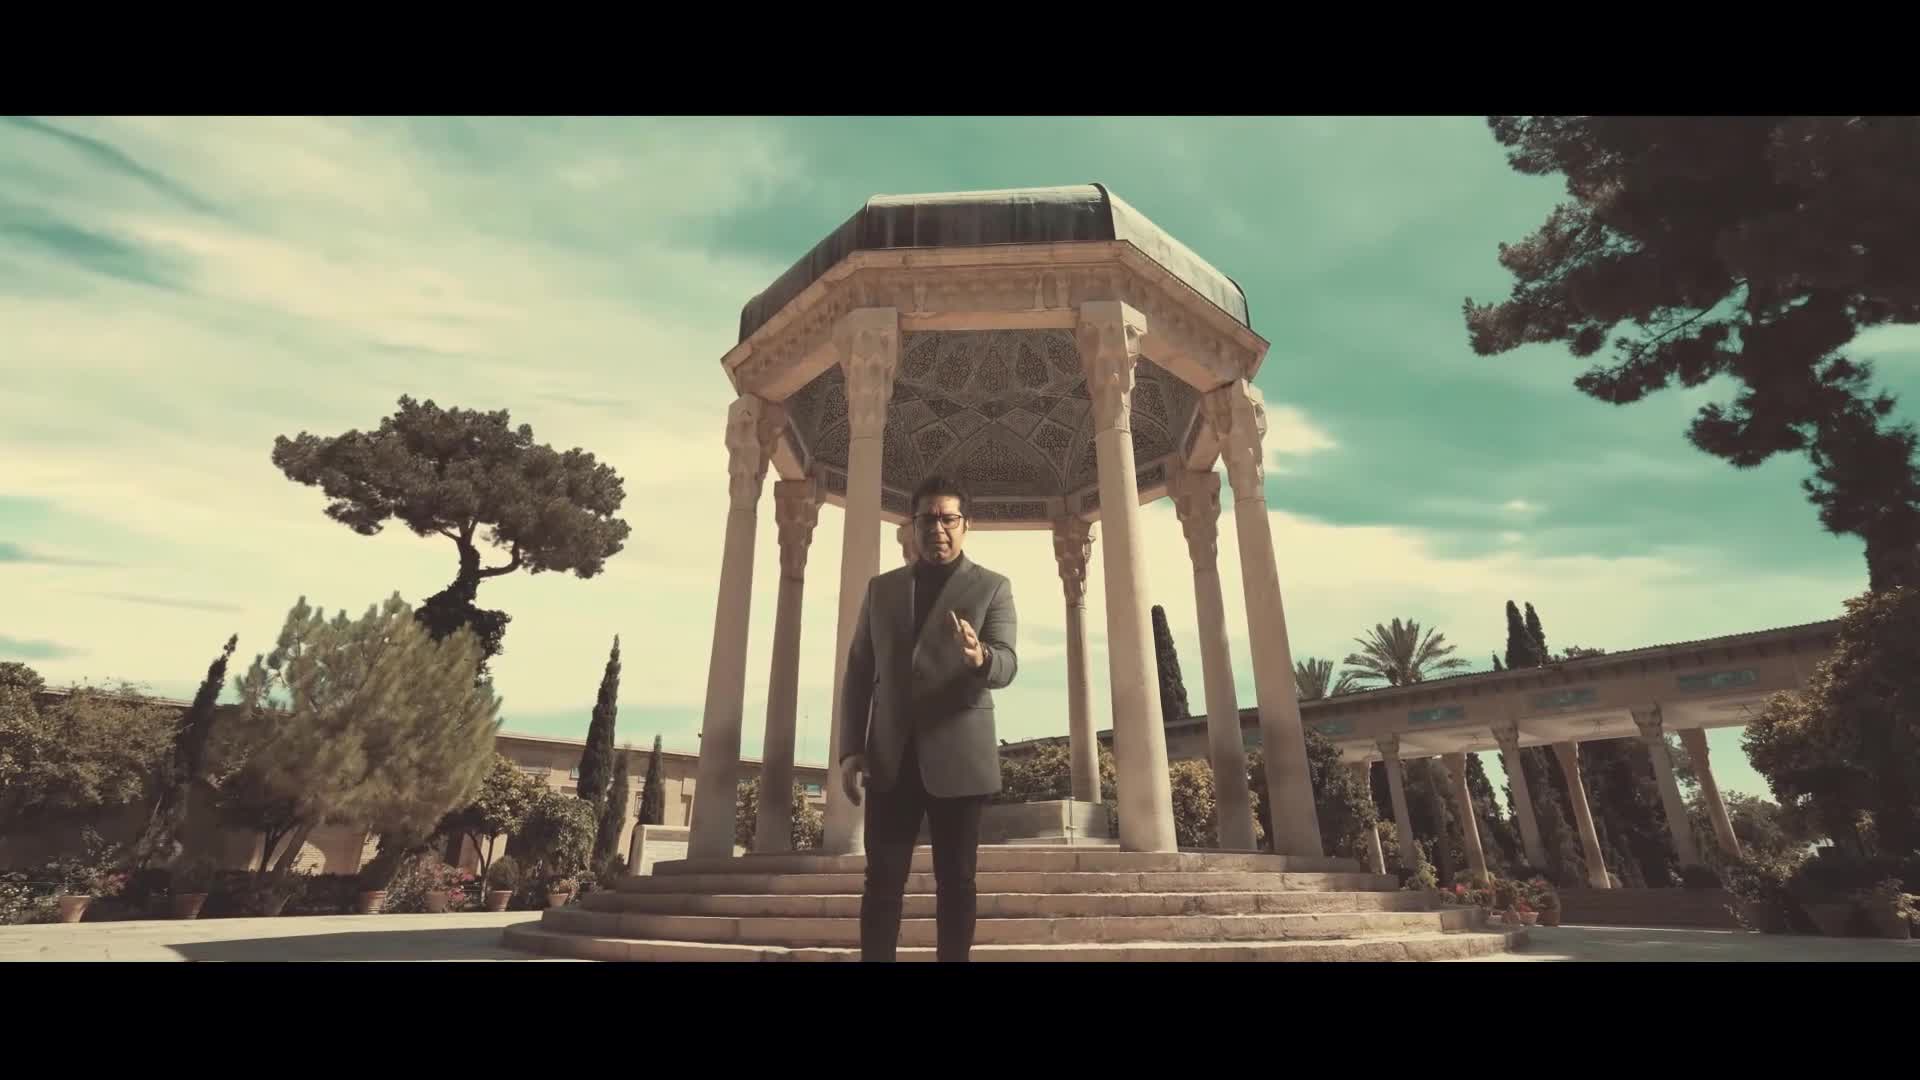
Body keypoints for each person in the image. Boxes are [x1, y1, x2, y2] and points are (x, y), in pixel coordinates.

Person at [839, 472, 1018, 962]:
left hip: (959, 762)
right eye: (927, 519)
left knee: (957, 883)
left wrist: (981, 657)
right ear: (912, 526)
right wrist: (850, 749)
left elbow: (1007, 662)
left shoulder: (993, 587)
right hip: (890, 759)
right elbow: (859, 671)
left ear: (966, 525)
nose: (937, 528)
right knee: (881, 884)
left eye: (948, 518)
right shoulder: (881, 590)